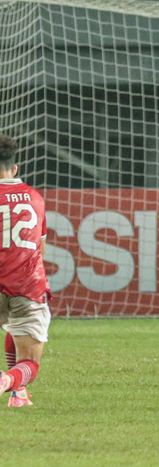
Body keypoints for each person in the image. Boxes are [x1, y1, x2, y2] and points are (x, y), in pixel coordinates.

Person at [0, 134, 51, 408]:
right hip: (26, 286)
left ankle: (17, 394)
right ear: (15, 168)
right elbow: (39, 251)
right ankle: (9, 382)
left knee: (12, 324)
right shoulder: (35, 198)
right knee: (31, 362)